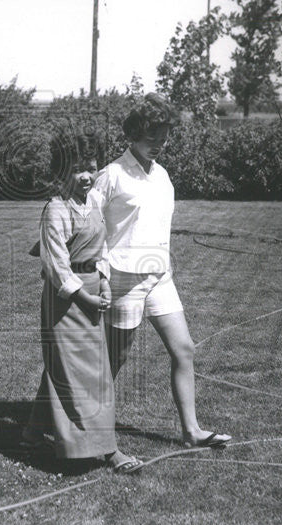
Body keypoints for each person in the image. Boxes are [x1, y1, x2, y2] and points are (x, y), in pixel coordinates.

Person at [92, 93, 232, 448]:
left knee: (184, 349)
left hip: (159, 278)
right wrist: (102, 275)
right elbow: (90, 228)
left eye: (164, 136)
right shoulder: (112, 175)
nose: (158, 143)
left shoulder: (163, 176)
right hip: (123, 280)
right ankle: (88, 432)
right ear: (135, 132)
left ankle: (191, 431)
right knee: (114, 361)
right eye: (151, 135)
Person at [22, 132, 144, 473]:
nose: (86, 177)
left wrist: (103, 282)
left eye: (90, 168)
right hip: (67, 301)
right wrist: (86, 297)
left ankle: (33, 432)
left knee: (85, 372)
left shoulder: (92, 204)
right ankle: (108, 451)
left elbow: (100, 251)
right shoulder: (55, 210)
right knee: (78, 375)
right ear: (61, 173)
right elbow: (57, 266)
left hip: (93, 292)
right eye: (77, 170)